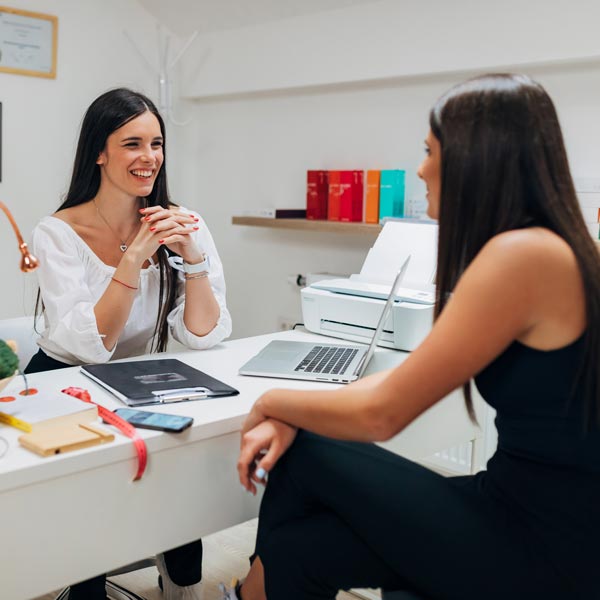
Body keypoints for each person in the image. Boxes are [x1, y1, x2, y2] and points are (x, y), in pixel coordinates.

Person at [226, 74, 600, 600]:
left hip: (546, 545)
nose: (421, 168)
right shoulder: (551, 248)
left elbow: (383, 413)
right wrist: (292, 409)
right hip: (524, 514)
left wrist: (273, 403)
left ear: (477, 157)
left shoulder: (524, 256)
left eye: (429, 151)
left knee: (304, 452)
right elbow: (401, 382)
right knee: (301, 548)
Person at [27, 88, 232, 600]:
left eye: (156, 143)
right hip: (64, 378)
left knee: (180, 465)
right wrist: (134, 258)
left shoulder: (185, 222)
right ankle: (85, 588)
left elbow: (204, 335)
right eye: (132, 143)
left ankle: (180, 580)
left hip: (142, 375)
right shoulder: (57, 232)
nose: (149, 158)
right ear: (100, 151)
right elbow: (92, 342)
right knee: (88, 489)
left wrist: (193, 258)